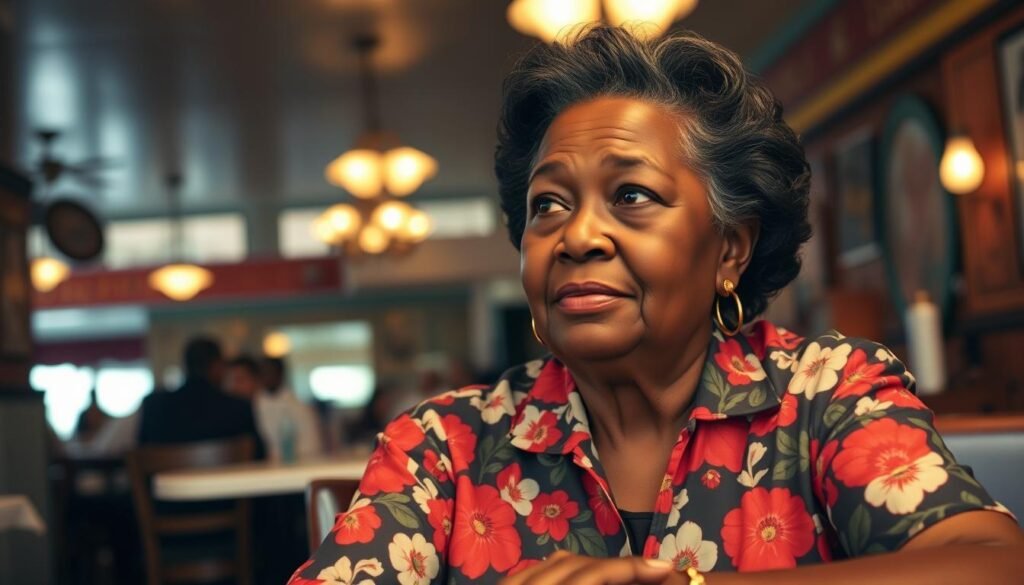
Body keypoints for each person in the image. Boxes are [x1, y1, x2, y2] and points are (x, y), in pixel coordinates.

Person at [291, 27, 1023, 584]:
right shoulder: (444, 445)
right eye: (548, 204)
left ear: (729, 249)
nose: (577, 236)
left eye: (632, 195)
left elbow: (992, 563)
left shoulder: (825, 395)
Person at [138, 336, 264, 459]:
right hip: (225, 474)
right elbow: (259, 456)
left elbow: (141, 455)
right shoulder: (239, 408)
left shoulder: (153, 406)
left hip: (170, 474)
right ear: (217, 366)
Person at [252, 356, 323, 462]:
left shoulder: (296, 405)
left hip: (298, 461)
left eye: (270, 372)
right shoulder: (257, 401)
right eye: (263, 372)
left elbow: (310, 443)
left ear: (280, 374)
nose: (266, 377)